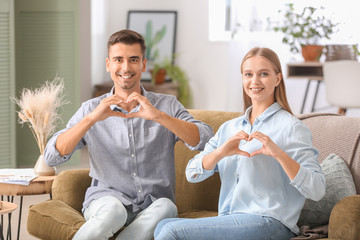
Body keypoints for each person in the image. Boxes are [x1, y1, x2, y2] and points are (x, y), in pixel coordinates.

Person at [44, 29, 213, 240]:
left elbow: (207, 140)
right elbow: (51, 157)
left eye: (133, 59)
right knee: (115, 211)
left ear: (143, 64)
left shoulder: (166, 105)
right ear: (108, 64)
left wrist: (159, 117)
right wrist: (90, 120)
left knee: (166, 208)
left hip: (155, 204)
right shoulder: (91, 109)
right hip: (106, 201)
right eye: (118, 60)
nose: (125, 67)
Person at [154, 47, 326, 240]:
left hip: (271, 223)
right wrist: (220, 153)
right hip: (230, 219)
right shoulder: (229, 128)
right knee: (163, 225)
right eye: (248, 74)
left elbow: (317, 189)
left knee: (171, 231)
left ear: (277, 79)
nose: (255, 81)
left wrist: (279, 154)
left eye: (263, 74)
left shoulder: (291, 127)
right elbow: (191, 173)